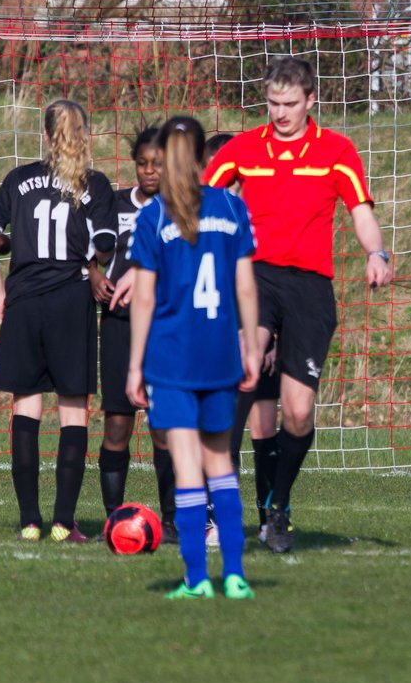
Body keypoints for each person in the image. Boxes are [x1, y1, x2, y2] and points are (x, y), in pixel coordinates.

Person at [203, 56, 392, 553]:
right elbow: (198, 203)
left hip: (310, 288)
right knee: (242, 374)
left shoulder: (336, 151)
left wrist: (376, 252)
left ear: (311, 101)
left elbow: (361, 212)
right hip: (256, 277)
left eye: (290, 104)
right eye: (273, 103)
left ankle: (278, 506)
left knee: (299, 413)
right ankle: (214, 508)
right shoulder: (244, 149)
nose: (280, 113)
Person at [125, 114, 260, 599]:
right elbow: (246, 284)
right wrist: (251, 343)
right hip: (220, 352)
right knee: (220, 463)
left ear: (165, 159)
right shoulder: (232, 206)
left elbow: (143, 298)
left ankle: (197, 579)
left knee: (186, 468)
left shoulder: (154, 216)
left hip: (173, 358)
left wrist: (136, 365)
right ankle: (237, 574)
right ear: (206, 158)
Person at [0, 99, 117, 542]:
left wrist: (0, 292)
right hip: (69, 301)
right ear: (86, 134)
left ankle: (28, 522)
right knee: (73, 410)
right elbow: (103, 247)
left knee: (26, 406)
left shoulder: (19, 178)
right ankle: (63, 522)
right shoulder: (94, 183)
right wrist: (94, 265)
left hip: (23, 303)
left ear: (45, 135)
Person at [90, 126, 178, 543]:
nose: (148, 171)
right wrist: (92, 273)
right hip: (119, 326)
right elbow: (95, 250)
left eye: (156, 164)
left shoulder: (180, 209)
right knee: (118, 424)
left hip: (164, 328)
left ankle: (173, 519)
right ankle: (114, 517)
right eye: (142, 163)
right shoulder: (117, 203)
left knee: (163, 425)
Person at [206, 128, 280, 543]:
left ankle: (270, 517)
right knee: (225, 433)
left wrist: (273, 337)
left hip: (260, 338)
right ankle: (221, 520)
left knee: (264, 431)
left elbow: (277, 284)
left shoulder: (257, 220)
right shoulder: (207, 220)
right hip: (222, 341)